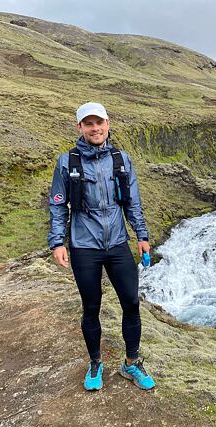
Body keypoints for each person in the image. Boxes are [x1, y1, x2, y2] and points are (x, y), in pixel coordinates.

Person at [48, 102, 155, 391]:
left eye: (100, 123)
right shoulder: (67, 162)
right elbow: (58, 204)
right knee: (91, 307)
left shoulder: (121, 159)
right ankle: (95, 363)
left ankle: (131, 363)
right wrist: (57, 242)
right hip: (84, 246)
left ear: (108, 124)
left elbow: (132, 201)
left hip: (118, 243)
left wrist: (142, 236)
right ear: (80, 128)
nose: (95, 128)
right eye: (89, 124)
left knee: (131, 303)